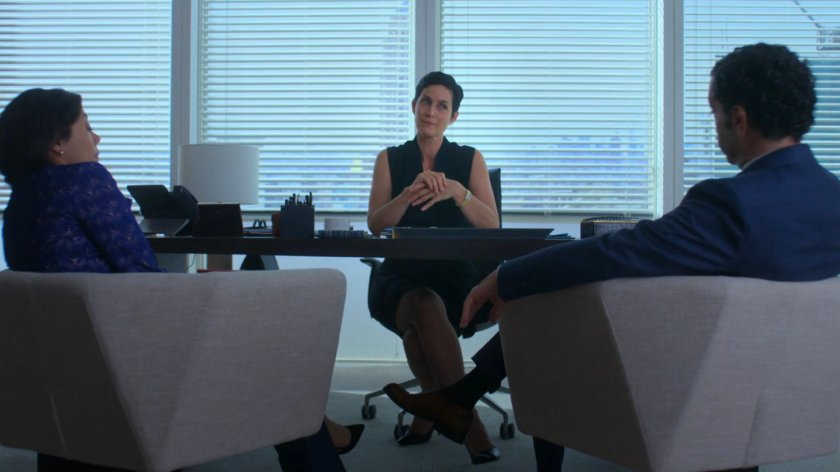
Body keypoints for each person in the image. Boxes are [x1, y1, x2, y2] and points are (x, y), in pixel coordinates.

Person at [383, 43, 840, 472]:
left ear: (738, 119)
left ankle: (461, 400)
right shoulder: (831, 200)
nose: (713, 127)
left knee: (550, 299)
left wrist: (508, 277)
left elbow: (625, 249)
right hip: (790, 394)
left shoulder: (729, 204)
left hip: (694, 387)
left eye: (714, 115)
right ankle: (459, 398)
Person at [0, 88, 360, 472]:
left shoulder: (19, 206)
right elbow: (142, 275)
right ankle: (318, 429)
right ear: (57, 143)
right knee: (280, 367)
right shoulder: (85, 180)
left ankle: (319, 425)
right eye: (88, 128)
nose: (98, 138)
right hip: (137, 369)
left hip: (68, 379)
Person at [366, 71, 502, 463]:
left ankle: (427, 413)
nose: (431, 111)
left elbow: (490, 223)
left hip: (456, 277)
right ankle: (471, 427)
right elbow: (377, 223)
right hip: (400, 276)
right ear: (414, 106)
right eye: (426, 101)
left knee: (422, 317)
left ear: (453, 117)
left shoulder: (469, 158)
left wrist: (459, 192)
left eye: (442, 105)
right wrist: (408, 194)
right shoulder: (390, 158)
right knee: (422, 304)